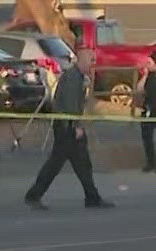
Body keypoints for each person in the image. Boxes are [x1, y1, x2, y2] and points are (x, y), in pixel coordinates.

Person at [25, 46, 111, 210]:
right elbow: (71, 105)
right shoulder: (72, 78)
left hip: (67, 125)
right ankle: (33, 195)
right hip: (67, 127)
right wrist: (76, 126)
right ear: (83, 60)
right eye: (91, 60)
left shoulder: (78, 77)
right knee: (56, 163)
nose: (93, 63)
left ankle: (92, 196)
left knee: (82, 163)